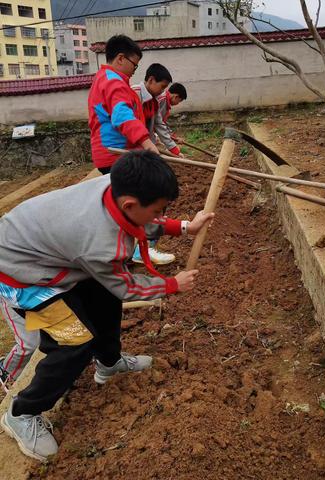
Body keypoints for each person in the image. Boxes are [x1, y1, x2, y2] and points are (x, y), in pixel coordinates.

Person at [0, 150, 212, 462]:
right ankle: (22, 413)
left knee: (104, 298)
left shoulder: (113, 186)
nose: (160, 214)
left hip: (53, 254)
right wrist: (171, 285)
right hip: (23, 276)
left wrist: (182, 227)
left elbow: (140, 220)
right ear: (130, 203)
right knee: (74, 342)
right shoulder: (98, 241)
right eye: (159, 209)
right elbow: (125, 286)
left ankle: (109, 362)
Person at [88, 34, 160, 174]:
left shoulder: (103, 77)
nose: (135, 69)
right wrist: (147, 143)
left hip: (112, 153)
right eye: (134, 64)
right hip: (116, 154)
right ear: (120, 58)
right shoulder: (113, 82)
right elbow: (122, 116)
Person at [131, 64, 176, 265]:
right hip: (132, 156)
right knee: (151, 197)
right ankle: (143, 249)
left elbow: (159, 125)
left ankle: (145, 247)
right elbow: (127, 125)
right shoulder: (133, 95)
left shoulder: (154, 101)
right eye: (162, 86)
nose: (164, 91)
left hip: (144, 155)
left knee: (156, 195)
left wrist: (173, 149)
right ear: (150, 80)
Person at [155, 83, 188, 157]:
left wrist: (173, 137)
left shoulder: (165, 101)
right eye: (179, 101)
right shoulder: (162, 100)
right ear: (176, 96)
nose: (178, 103)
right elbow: (158, 124)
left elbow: (162, 122)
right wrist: (174, 149)